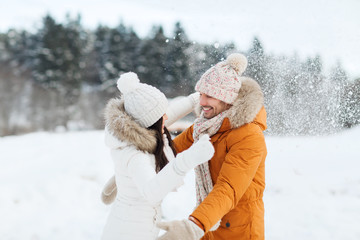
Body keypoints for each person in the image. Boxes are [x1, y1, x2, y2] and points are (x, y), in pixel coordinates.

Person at [157, 53, 268, 240]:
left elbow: (228, 188)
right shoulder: (205, 126)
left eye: (209, 96)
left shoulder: (249, 136)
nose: (201, 102)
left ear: (227, 99)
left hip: (239, 230)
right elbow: (172, 151)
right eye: (201, 94)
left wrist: (195, 225)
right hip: (209, 223)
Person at [100, 72, 215, 240]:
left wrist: (197, 98)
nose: (167, 117)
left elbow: (171, 112)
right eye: (162, 117)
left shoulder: (139, 131)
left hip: (133, 227)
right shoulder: (136, 155)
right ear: (150, 123)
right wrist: (188, 159)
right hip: (129, 234)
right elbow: (152, 192)